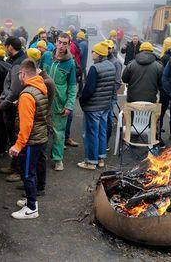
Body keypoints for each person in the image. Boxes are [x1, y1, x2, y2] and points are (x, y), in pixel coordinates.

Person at [9, 59, 49, 220]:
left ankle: (32, 208)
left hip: (31, 141)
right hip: (41, 136)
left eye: (19, 74)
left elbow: (26, 125)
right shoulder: (40, 86)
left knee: (27, 174)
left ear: (23, 74)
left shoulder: (27, 94)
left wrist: (18, 146)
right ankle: (29, 200)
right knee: (34, 170)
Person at [40, 33, 77, 171]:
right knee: (40, 129)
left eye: (65, 43)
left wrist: (69, 105)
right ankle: (40, 157)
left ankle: (58, 159)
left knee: (58, 132)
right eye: (59, 42)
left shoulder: (70, 63)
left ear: (69, 44)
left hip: (59, 102)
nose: (61, 46)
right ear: (55, 42)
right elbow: (38, 74)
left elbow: (73, 86)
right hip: (42, 99)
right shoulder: (46, 56)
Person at [78, 42, 116, 169]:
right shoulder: (111, 66)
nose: (92, 54)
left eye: (93, 51)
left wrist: (82, 101)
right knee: (101, 132)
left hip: (93, 106)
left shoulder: (95, 68)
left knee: (91, 133)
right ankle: (100, 158)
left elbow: (88, 90)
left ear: (98, 53)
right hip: (105, 106)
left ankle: (90, 161)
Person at [0, 36, 28, 181]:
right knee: (16, 139)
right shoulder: (22, 58)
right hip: (17, 105)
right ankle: (14, 166)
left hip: (13, 107)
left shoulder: (17, 64)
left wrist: (3, 104)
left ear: (10, 47)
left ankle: (18, 170)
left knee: (16, 139)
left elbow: (14, 89)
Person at [104, 39, 123, 145]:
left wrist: (109, 93)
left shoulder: (116, 63)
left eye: (109, 48)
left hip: (110, 96)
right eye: (106, 48)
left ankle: (105, 143)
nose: (107, 50)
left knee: (108, 119)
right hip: (101, 96)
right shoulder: (101, 60)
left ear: (112, 49)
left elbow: (117, 82)